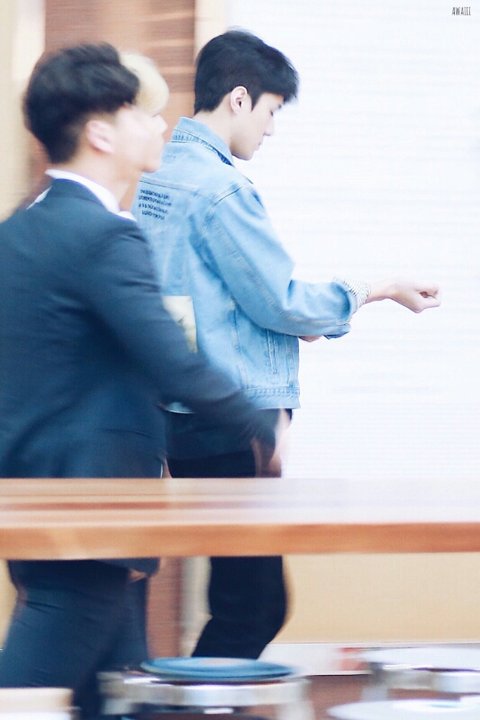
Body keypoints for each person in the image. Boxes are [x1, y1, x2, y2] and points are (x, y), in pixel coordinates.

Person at [133, 29, 441, 660]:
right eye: (271, 111)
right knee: (255, 606)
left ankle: (194, 697)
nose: (271, 128)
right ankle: (188, 703)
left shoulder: (157, 177)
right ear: (239, 99)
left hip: (179, 413)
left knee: (238, 597)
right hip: (233, 416)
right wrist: (378, 288)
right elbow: (283, 301)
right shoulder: (221, 189)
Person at [0, 42, 280, 719]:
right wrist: (262, 426)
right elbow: (173, 362)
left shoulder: (23, 226)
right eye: (141, 113)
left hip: (44, 494)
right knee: (24, 695)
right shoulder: (102, 234)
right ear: (101, 133)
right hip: (89, 507)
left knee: (122, 693)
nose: (160, 125)